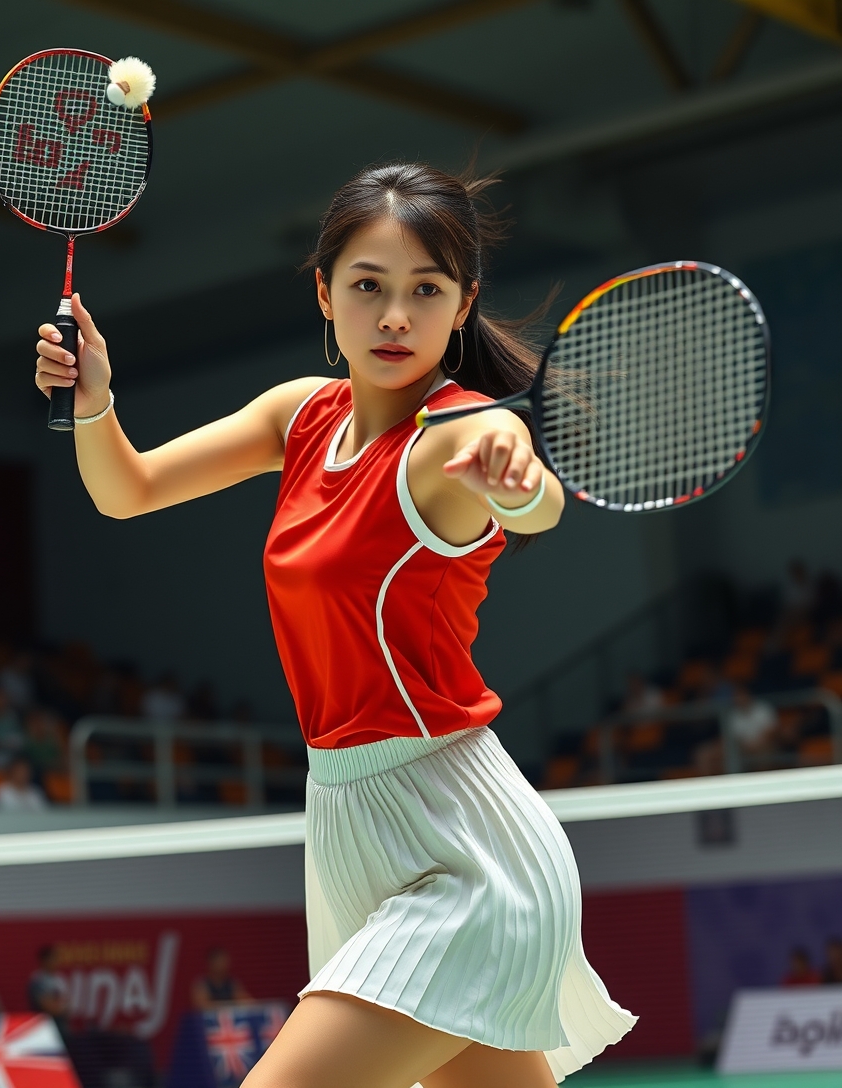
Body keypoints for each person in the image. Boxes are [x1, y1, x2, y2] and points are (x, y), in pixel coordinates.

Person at [34, 162, 636, 1088]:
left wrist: (517, 480)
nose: (395, 316)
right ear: (325, 291)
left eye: (425, 291)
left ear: (462, 304)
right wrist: (93, 398)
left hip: (461, 842)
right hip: (350, 825)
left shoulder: (456, 438)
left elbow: (536, 504)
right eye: (369, 286)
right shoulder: (300, 416)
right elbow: (128, 489)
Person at [28, 945, 70, 1036]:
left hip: (62, 1026)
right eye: (53, 959)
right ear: (44, 961)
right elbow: (49, 1008)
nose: (56, 962)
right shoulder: (38, 981)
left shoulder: (59, 979)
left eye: (56, 958)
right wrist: (61, 1007)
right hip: (44, 1028)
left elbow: (68, 1003)